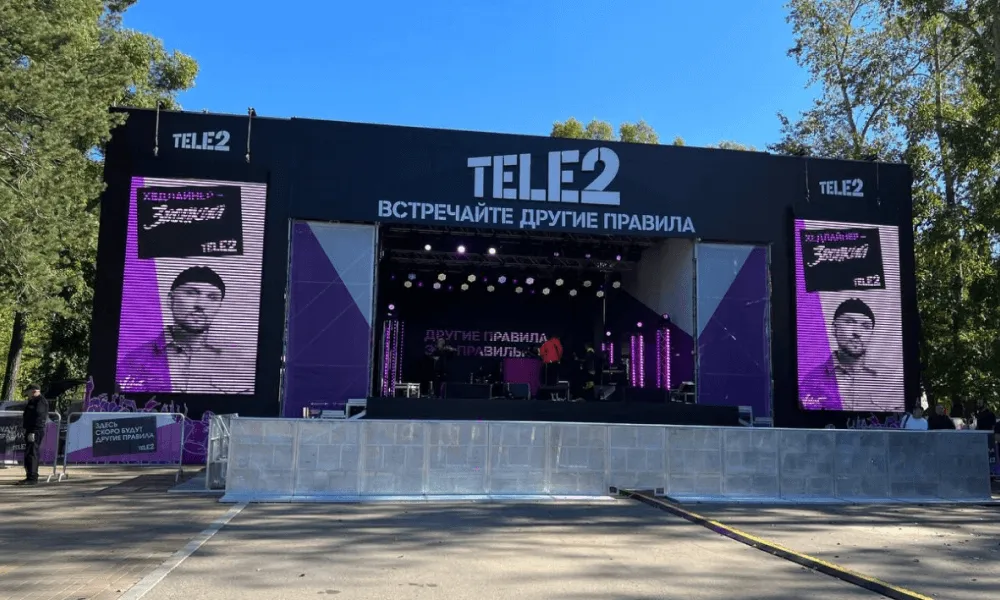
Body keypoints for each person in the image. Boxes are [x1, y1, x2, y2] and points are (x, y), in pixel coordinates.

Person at [118, 266, 255, 394]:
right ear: (170, 300)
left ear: (219, 306)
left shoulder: (240, 360)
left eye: (212, 297)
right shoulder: (135, 361)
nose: (201, 305)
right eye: (191, 293)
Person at [800, 298, 880, 409]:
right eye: (849, 322)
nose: (857, 332)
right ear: (834, 328)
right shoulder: (812, 381)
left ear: (872, 334)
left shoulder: (890, 379)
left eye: (865, 326)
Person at [18, 385, 48, 486]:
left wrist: (33, 431)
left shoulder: (40, 402)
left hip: (35, 430)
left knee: (32, 453)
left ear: (34, 391)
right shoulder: (34, 401)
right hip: (31, 430)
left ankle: (32, 478)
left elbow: (39, 416)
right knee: (29, 453)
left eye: (28, 392)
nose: (27, 395)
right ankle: (29, 476)